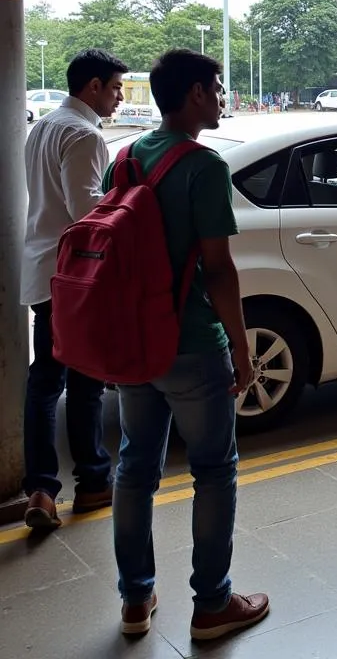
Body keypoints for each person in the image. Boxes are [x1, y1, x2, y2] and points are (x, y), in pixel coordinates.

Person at [107, 50, 268, 641]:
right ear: (195, 94)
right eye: (218, 88)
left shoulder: (124, 159)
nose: (223, 98)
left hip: (131, 341)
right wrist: (242, 350)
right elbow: (219, 270)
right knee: (213, 470)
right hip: (192, 343)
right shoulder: (203, 166)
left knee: (135, 467)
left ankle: (134, 600)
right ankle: (212, 605)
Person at [21, 48, 127, 530]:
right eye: (116, 88)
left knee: (45, 383)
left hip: (42, 268)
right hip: (75, 275)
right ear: (92, 87)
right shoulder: (83, 135)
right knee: (83, 381)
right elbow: (87, 211)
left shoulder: (43, 126)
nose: (119, 98)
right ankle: (92, 481)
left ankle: (42, 490)